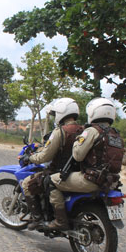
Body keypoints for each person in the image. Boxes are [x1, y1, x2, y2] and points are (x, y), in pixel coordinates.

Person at [45, 97, 124, 231]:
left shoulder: (92, 131)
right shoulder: (116, 135)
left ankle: (60, 221)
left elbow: (78, 155)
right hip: (111, 181)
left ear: (93, 113)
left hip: (92, 179)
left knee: (51, 181)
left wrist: (77, 141)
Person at [19, 98, 83, 230]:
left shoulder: (60, 132)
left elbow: (45, 156)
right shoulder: (84, 130)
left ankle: (37, 218)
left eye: (55, 114)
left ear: (61, 113)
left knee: (27, 183)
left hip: (59, 171)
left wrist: (30, 158)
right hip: (77, 172)